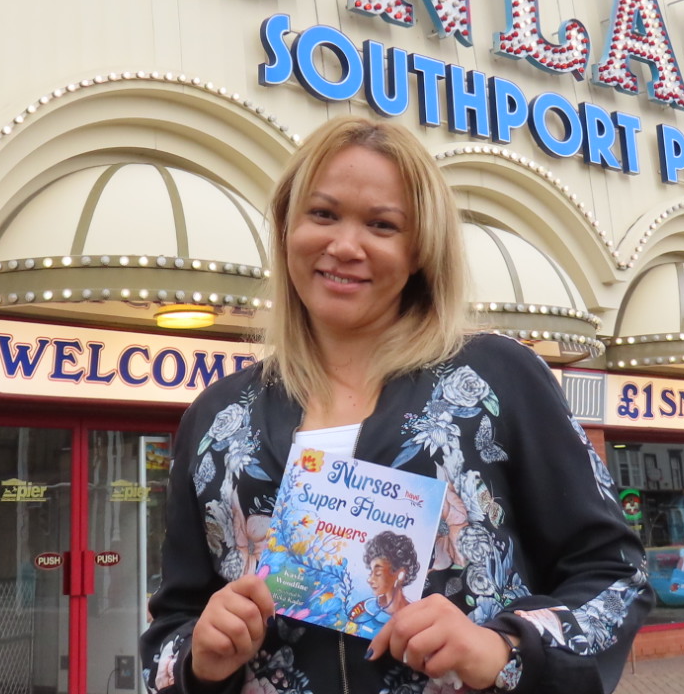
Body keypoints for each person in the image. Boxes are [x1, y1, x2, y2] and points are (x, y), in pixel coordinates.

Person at [140, 117, 652, 694]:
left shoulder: (495, 379)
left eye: (382, 225)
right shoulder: (217, 417)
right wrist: (199, 658)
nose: (344, 246)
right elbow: (171, 626)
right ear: (286, 228)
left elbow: (617, 576)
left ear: (419, 251)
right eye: (323, 214)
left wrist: (503, 648)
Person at [347, 531, 420, 634]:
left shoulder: (416, 616)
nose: (369, 579)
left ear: (400, 574)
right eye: (371, 572)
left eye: (378, 572)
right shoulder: (361, 611)